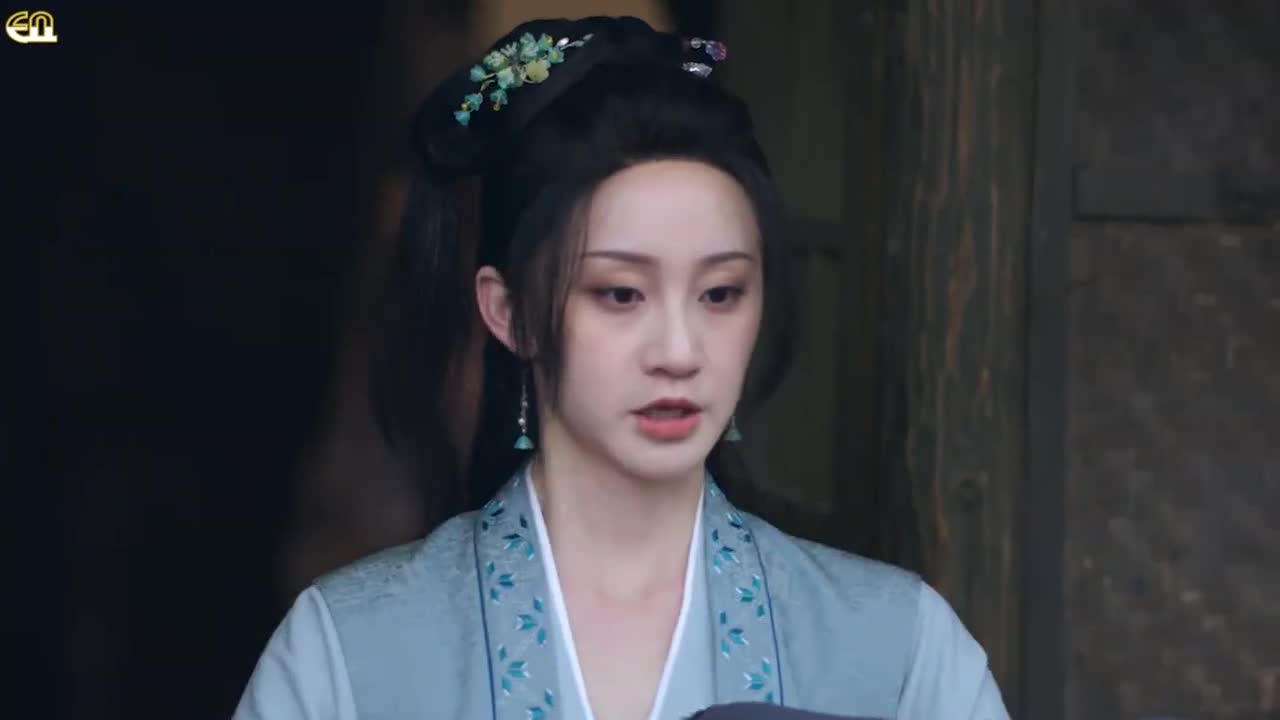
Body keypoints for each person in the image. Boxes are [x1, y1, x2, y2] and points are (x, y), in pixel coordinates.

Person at [232, 15, 1011, 720]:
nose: (679, 350)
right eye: (620, 294)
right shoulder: (351, 654)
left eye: (719, 294)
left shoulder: (897, 652)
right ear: (508, 312)